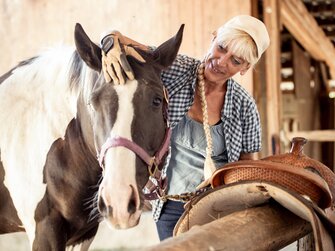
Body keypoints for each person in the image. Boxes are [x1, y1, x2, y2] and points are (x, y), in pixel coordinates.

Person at [100, 15, 270, 240]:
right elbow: (118, 39)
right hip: (171, 206)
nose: (221, 61)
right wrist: (109, 42)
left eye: (235, 61)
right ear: (214, 38)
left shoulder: (244, 106)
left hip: (221, 207)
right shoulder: (176, 70)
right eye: (221, 48)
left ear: (245, 67)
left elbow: (247, 165)